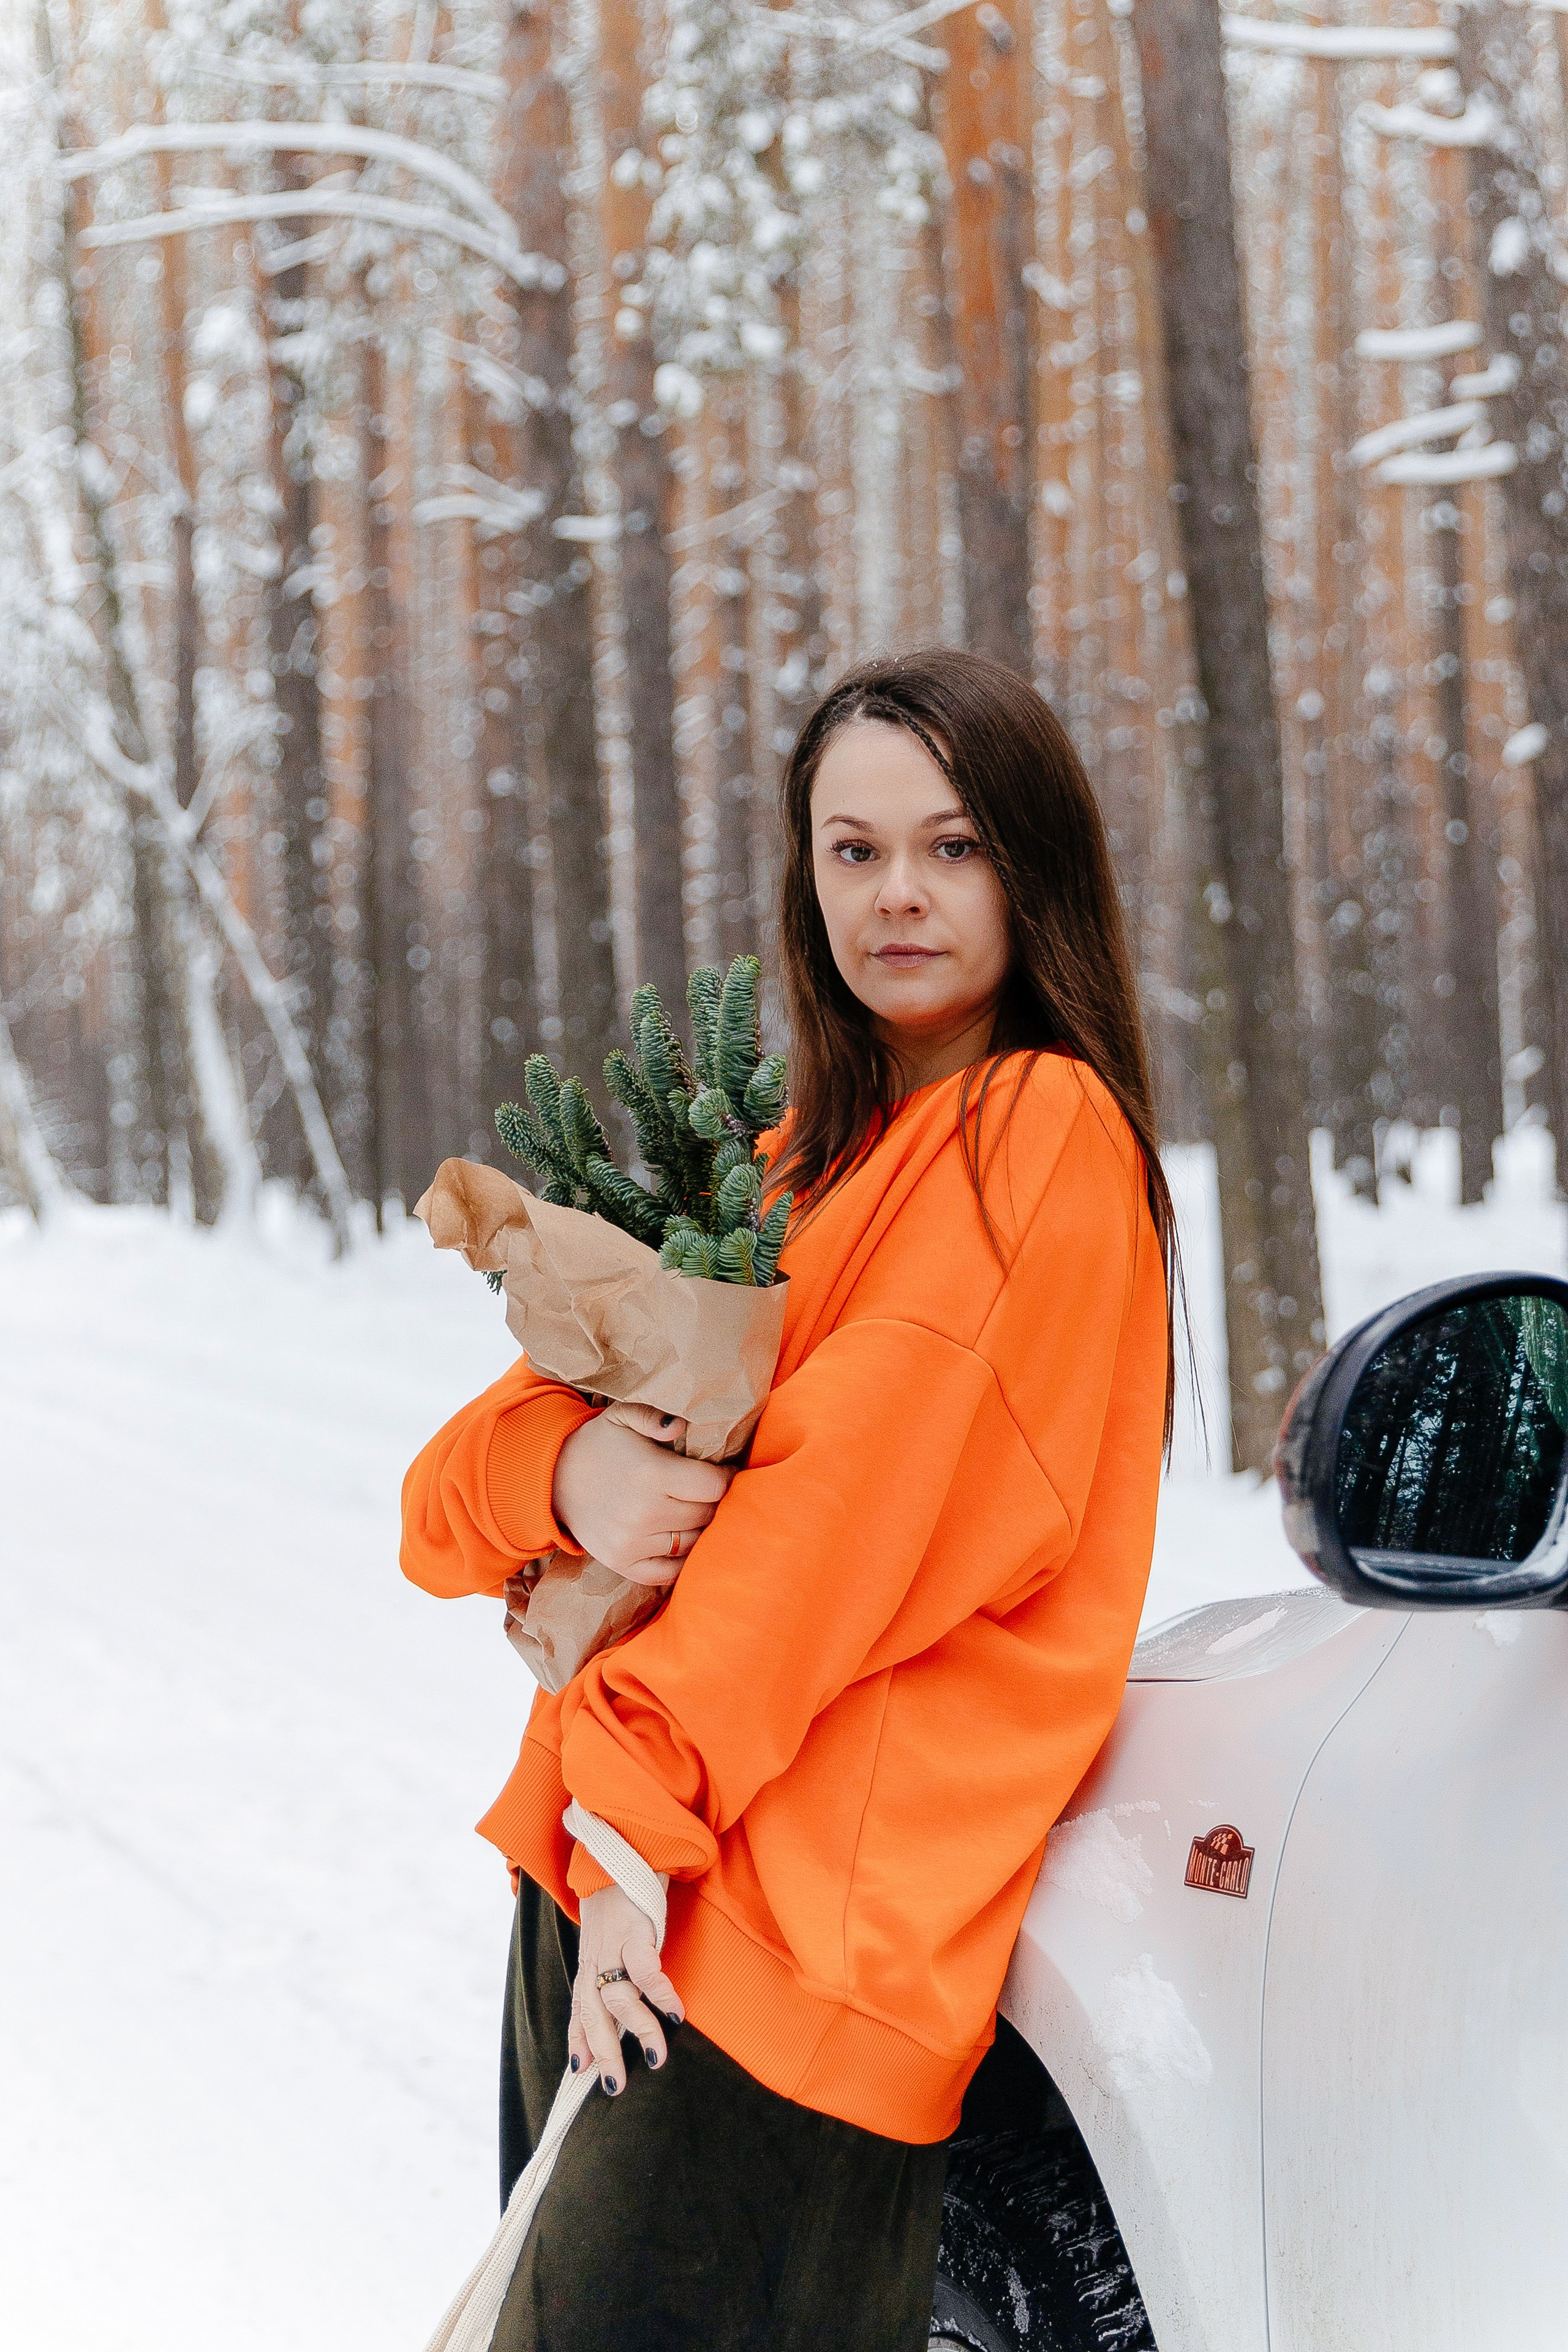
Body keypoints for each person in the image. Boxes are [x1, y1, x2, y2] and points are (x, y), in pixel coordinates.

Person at [400, 646, 1179, 2351]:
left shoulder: (1036, 1135)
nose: (898, 893)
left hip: (772, 1940)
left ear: (1035, 866)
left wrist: (629, 1824)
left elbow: (827, 1537)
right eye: (854, 848)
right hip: (625, 1885)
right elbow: (442, 1504)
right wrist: (570, 1469)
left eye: (953, 846)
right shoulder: (797, 1165)